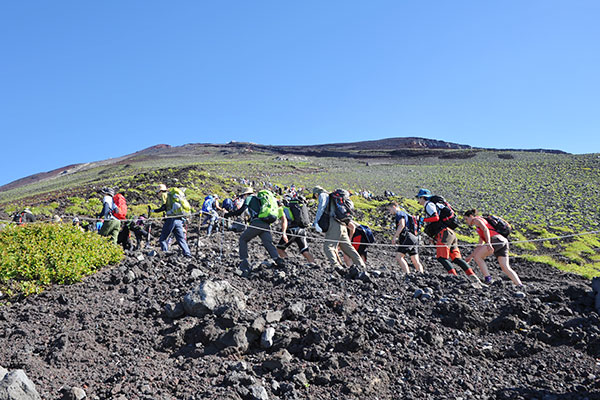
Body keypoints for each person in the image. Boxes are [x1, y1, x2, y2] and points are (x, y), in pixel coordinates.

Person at [416, 188, 481, 285]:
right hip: (451, 233)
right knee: (456, 259)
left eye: (419, 198)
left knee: (441, 258)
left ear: (423, 197)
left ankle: (455, 278)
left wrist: (422, 220)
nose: (418, 200)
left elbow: (435, 217)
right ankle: (473, 277)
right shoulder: (437, 204)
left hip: (444, 233)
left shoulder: (429, 205)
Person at [224, 187, 286, 271]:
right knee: (268, 243)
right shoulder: (259, 199)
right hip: (266, 224)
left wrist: (228, 214)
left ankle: (244, 263)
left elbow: (241, 210)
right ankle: (279, 261)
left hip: (257, 223)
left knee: (243, 239)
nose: (243, 197)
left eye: (243, 196)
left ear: (246, 194)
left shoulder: (250, 198)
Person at [463, 209, 523, 286]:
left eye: (466, 219)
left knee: (478, 257)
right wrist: (470, 257)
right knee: (505, 267)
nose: (466, 221)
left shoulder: (477, 220)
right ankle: (519, 284)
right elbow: (479, 245)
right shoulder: (481, 225)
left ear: (471, 216)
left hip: (495, 239)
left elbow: (485, 229)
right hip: (503, 241)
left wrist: (488, 243)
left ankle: (488, 278)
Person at [312, 186, 365, 268]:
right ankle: (361, 266)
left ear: (316, 194)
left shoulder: (323, 195)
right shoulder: (335, 198)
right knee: (348, 248)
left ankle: (336, 266)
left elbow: (321, 208)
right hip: (343, 224)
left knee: (328, 247)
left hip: (334, 224)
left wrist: (316, 222)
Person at [152, 184, 192, 257]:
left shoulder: (164, 195)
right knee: (181, 239)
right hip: (179, 219)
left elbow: (163, 207)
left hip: (171, 219)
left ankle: (165, 254)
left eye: (158, 192)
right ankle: (188, 254)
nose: (158, 194)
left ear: (161, 191)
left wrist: (153, 211)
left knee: (162, 239)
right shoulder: (172, 196)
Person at [276, 196, 316, 264]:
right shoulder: (294, 208)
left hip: (292, 230)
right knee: (304, 250)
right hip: (302, 230)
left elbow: (285, 220)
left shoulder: (281, 209)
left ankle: (288, 264)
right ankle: (313, 264)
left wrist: (284, 233)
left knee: (280, 249)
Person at [388, 202, 424, 274]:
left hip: (408, 237)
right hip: (414, 237)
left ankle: (407, 274)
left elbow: (402, 225)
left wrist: (395, 237)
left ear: (394, 207)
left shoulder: (399, 214)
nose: (390, 212)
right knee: (415, 259)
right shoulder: (404, 213)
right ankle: (421, 275)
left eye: (389, 209)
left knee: (399, 257)